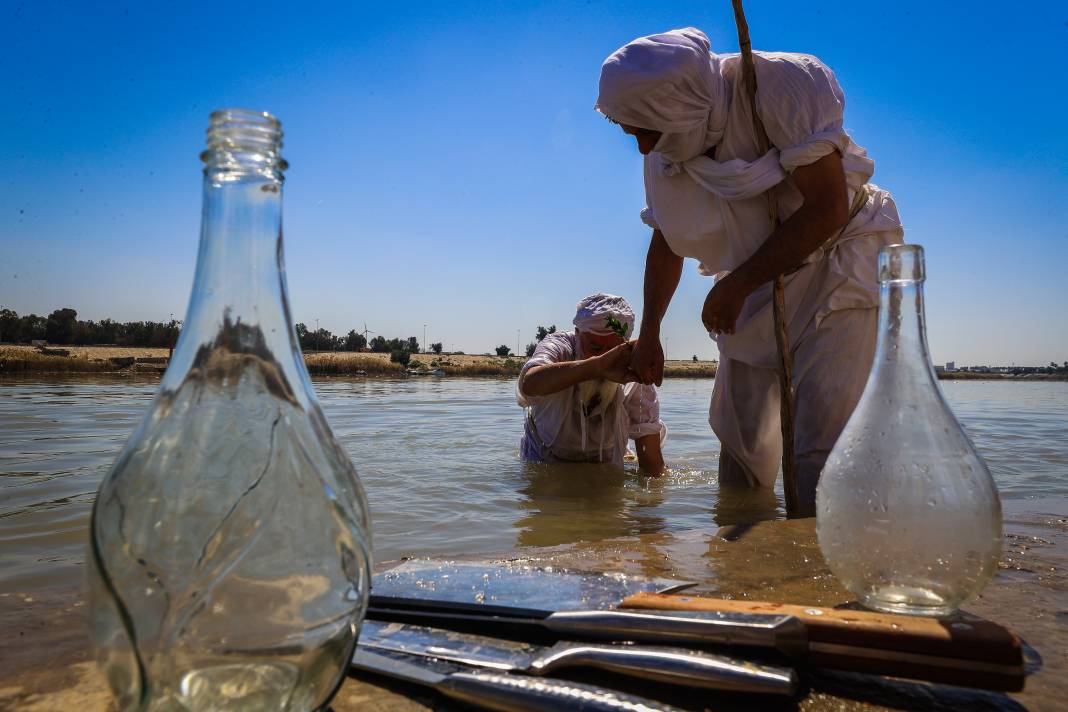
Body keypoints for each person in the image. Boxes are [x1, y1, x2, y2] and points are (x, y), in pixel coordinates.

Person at [595, 28, 904, 512]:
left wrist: (738, 285)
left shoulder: (781, 84)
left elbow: (826, 208)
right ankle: (742, 565)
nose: (641, 148)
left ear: (678, 106)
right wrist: (651, 331)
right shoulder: (663, 151)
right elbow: (666, 238)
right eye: (630, 132)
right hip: (751, 279)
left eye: (646, 131)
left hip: (838, 256)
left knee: (821, 449)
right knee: (740, 447)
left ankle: (823, 571)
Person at [517, 293, 666, 474]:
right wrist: (598, 366)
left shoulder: (633, 371)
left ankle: (625, 454)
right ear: (578, 335)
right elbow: (529, 383)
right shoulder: (561, 347)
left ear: (625, 343)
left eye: (613, 350)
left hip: (604, 462)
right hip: (544, 458)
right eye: (595, 347)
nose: (606, 357)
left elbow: (652, 465)